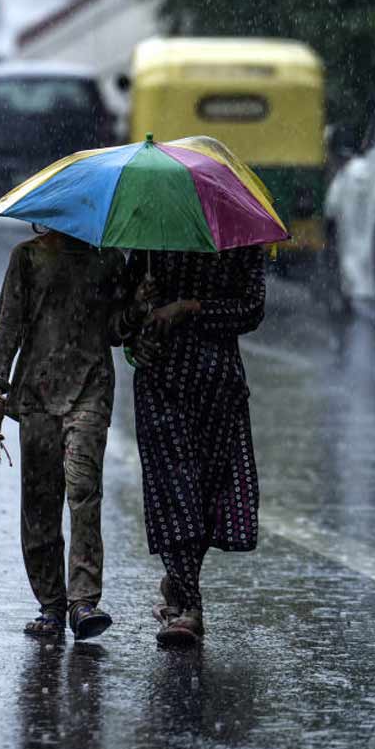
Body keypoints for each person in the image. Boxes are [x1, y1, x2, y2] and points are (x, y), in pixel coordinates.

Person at [0, 228, 153, 641]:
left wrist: (137, 306)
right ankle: (51, 605)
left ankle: (83, 601)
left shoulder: (108, 260)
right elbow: (9, 324)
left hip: (90, 391)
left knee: (83, 491)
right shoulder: (27, 258)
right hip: (37, 395)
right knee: (40, 502)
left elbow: (114, 331)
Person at [124, 246, 265, 647]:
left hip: (218, 386)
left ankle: (179, 584)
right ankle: (190, 607)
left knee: (203, 497)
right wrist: (139, 309)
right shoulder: (153, 237)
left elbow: (252, 310)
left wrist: (190, 308)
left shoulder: (239, 243)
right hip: (161, 382)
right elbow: (120, 310)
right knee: (174, 491)